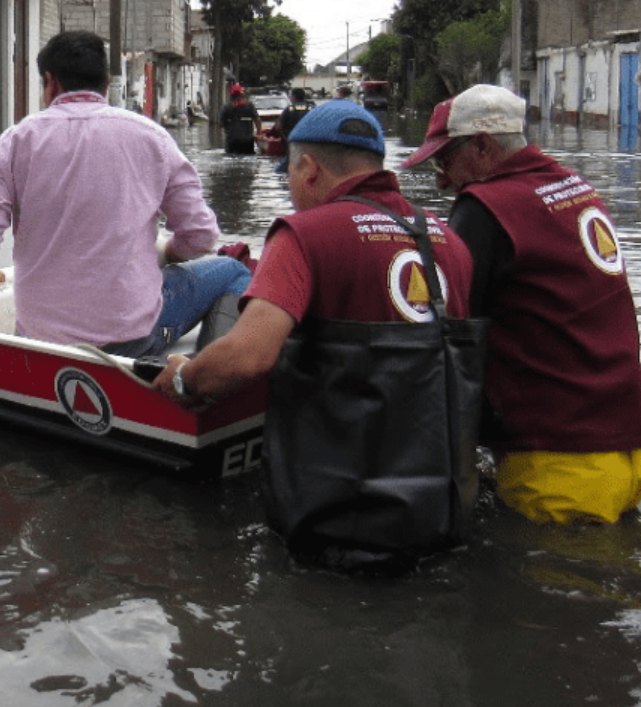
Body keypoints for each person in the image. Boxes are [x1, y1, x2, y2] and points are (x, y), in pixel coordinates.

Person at [152, 101, 478, 570]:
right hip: (439, 516)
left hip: (336, 524)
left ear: (308, 168)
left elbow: (249, 356)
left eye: (289, 173)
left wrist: (186, 378)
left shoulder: (304, 235)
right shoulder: (447, 240)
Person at [403, 84, 641, 525]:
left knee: (551, 584)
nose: (440, 178)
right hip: (625, 441)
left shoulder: (487, 207)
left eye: (444, 158)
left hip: (559, 461)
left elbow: (453, 329)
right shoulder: (577, 188)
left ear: (481, 145)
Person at [0, 30, 250, 357]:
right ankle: (204, 377)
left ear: (50, 82)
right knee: (234, 270)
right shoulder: (153, 138)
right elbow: (201, 236)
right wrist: (169, 253)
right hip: (131, 341)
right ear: (106, 84)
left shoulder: (12, 143)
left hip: (38, 339)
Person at [220, 84, 258, 154]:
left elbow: (221, 123)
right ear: (242, 94)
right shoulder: (249, 105)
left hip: (232, 140)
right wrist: (259, 133)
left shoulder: (227, 107)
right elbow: (257, 120)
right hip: (247, 140)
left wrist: (227, 126)